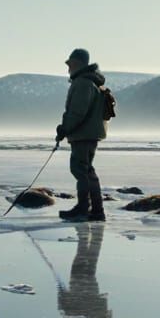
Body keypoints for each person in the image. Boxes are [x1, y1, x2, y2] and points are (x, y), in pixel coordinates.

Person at [55, 48, 107, 222]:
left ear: (78, 64)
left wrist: (65, 129)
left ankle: (84, 208)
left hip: (83, 134)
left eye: (70, 64)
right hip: (88, 133)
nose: (68, 68)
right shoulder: (88, 81)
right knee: (86, 170)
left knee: (80, 170)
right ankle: (95, 210)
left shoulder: (83, 83)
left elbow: (77, 112)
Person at [58, 223, 112, 318]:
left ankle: (90, 237)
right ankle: (86, 236)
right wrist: (62, 296)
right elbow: (66, 312)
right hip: (83, 296)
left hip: (90, 298)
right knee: (81, 268)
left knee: (88, 267)